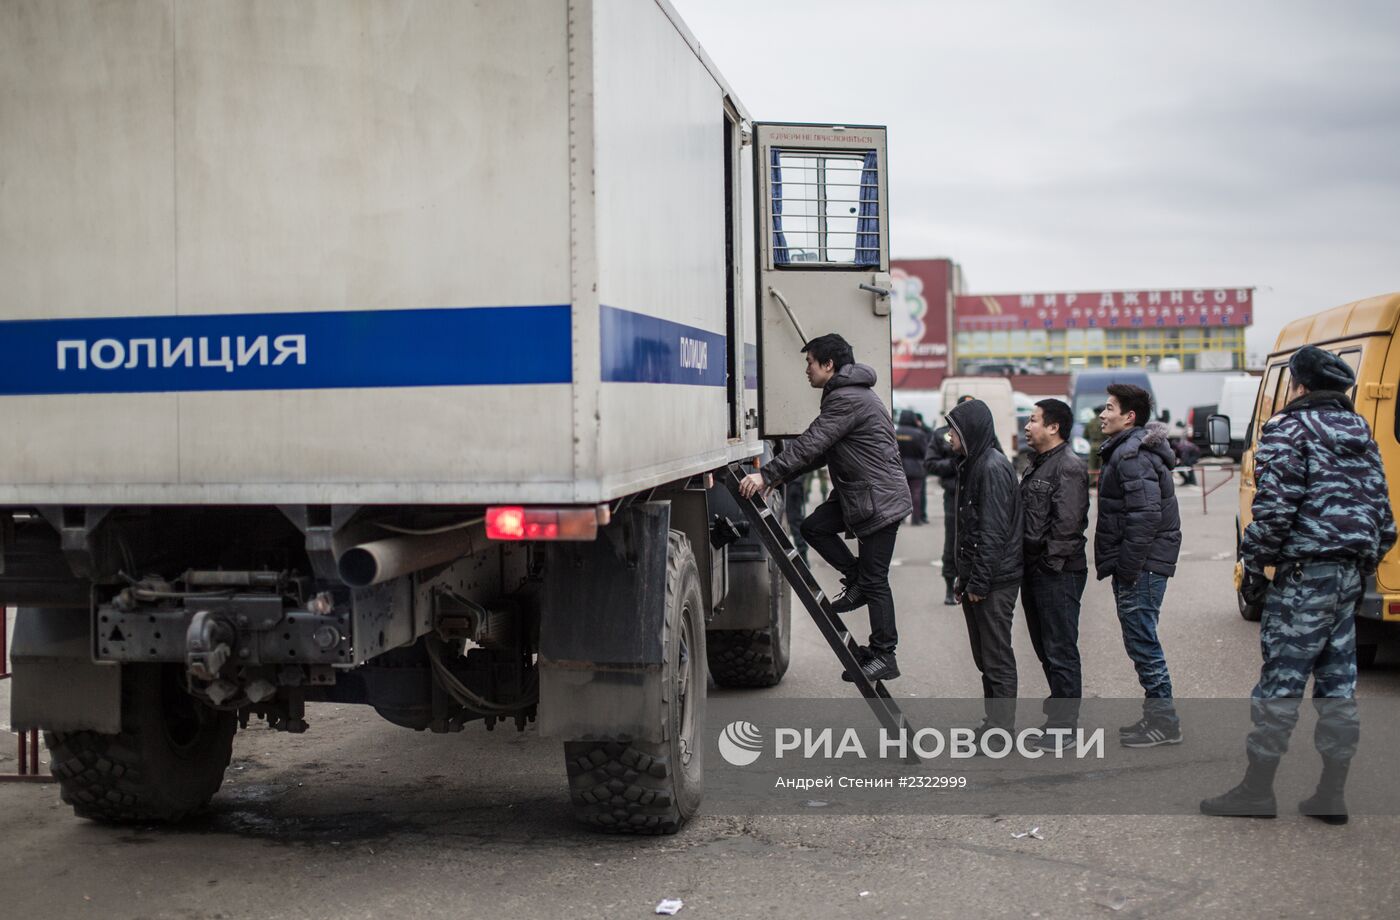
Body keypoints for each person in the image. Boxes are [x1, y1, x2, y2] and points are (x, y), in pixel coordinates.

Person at [1201, 346, 1395, 823]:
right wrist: (1363, 561)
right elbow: (1385, 517)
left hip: (1305, 573)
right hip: (1350, 574)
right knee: (1337, 684)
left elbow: (1274, 508)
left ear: (1300, 386)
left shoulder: (1288, 428)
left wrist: (1255, 564)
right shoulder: (1360, 431)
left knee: (1280, 684)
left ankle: (1257, 790)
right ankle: (1331, 794)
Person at [739, 333, 912, 682]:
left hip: (878, 499)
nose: (806, 369)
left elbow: (812, 442)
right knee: (814, 526)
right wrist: (778, 478)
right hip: (862, 495)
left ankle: (884, 654)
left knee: (877, 580)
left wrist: (765, 475)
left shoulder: (847, 398)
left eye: (810, 362)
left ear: (828, 364)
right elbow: (820, 451)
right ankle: (857, 578)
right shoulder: (846, 395)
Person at [1095, 383, 1183, 748]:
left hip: (1142, 566)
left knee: (1144, 644)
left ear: (1129, 416)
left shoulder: (1132, 454)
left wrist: (1128, 569)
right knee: (1141, 642)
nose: (1102, 414)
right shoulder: (1129, 449)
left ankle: (1165, 723)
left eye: (1110, 408)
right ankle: (1155, 717)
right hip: (1143, 564)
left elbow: (1146, 516)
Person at [947, 397, 1024, 734]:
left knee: (996, 657)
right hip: (980, 578)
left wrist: (978, 582)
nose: (949, 437)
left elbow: (992, 532)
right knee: (985, 657)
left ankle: (1001, 729)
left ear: (971, 431)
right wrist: (963, 579)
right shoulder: (974, 463)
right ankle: (993, 723)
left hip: (995, 581)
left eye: (953, 430)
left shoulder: (991, 468)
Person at [1019, 398, 1090, 749]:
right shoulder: (1038, 463)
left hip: (1057, 572)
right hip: (1037, 570)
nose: (1027, 426)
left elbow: (1068, 525)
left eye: (1033, 420)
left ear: (1053, 427)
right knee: (1047, 648)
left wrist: (1049, 564)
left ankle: (1065, 727)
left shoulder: (1068, 467)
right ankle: (1058, 718)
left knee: (1060, 648)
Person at [926, 396, 974, 605]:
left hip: (975, 494)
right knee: (953, 541)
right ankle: (949, 585)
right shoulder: (941, 435)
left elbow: (995, 452)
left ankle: (973, 584)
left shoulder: (979, 434)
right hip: (953, 495)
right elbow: (930, 463)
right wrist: (956, 464)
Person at [896, 410, 930, 525]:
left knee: (901, 494)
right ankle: (915, 519)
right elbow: (925, 452)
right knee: (916, 494)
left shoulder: (896, 432)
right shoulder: (919, 433)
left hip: (899, 468)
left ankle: (900, 519)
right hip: (916, 467)